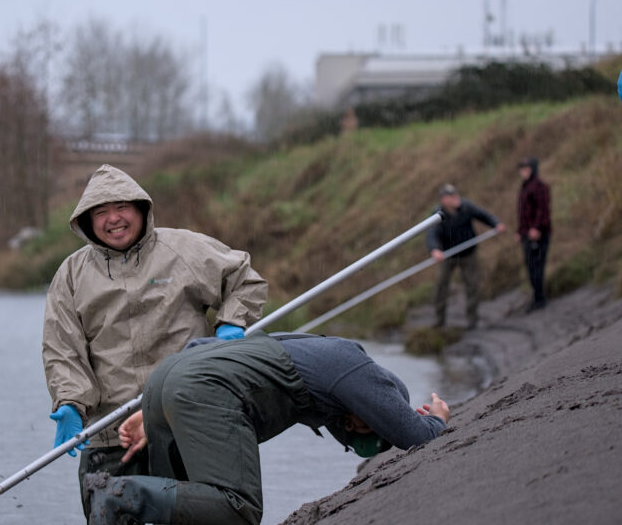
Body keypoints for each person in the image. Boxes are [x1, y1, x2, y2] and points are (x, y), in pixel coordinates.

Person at [42, 164, 268, 517]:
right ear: (87, 221)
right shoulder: (71, 275)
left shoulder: (183, 248)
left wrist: (231, 324)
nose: (113, 219)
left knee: (206, 516)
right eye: (101, 212)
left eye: (122, 208)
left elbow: (243, 279)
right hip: (111, 433)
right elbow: (62, 348)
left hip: (186, 420)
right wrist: (70, 401)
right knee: (108, 510)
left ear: (141, 209)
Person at [84, 332, 451, 525]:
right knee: (237, 509)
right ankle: (119, 491)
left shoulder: (306, 349)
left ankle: (118, 497)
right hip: (198, 387)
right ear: (381, 402)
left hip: (172, 375)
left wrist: (157, 408)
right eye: (370, 425)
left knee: (191, 510)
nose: (355, 426)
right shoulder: (358, 369)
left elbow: (203, 346)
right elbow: (417, 436)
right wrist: (437, 418)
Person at [425, 184, 505, 329]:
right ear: (444, 200)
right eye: (451, 196)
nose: (455, 198)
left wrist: (496, 223)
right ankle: (440, 320)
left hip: (468, 253)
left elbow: (483, 215)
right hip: (448, 255)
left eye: (455, 194)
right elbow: (431, 234)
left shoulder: (466, 207)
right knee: (442, 286)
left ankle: (472, 320)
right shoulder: (438, 214)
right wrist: (435, 250)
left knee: (472, 284)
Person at [516, 157, 551, 312]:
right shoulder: (525, 187)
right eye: (522, 168)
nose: (523, 171)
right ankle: (537, 297)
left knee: (537, 266)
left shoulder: (539, 186)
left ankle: (540, 298)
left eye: (526, 168)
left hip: (540, 234)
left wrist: (536, 228)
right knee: (531, 267)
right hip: (526, 234)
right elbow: (523, 213)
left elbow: (542, 210)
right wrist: (520, 231)